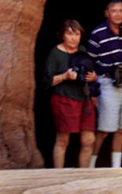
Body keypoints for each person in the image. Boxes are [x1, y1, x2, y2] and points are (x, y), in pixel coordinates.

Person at [87, 0, 122, 168]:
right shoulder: (98, 34)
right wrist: (94, 92)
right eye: (114, 11)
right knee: (104, 130)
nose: (118, 14)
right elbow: (89, 63)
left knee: (121, 129)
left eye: (121, 10)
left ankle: (116, 168)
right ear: (106, 13)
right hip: (108, 83)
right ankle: (90, 167)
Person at [42, 19, 98, 168]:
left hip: (84, 100)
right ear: (62, 36)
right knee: (63, 140)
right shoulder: (55, 53)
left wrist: (93, 77)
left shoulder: (82, 50)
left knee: (89, 140)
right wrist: (64, 76)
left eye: (77, 34)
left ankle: (83, 175)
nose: (74, 38)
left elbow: (91, 73)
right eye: (69, 34)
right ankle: (59, 175)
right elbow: (47, 81)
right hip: (64, 99)